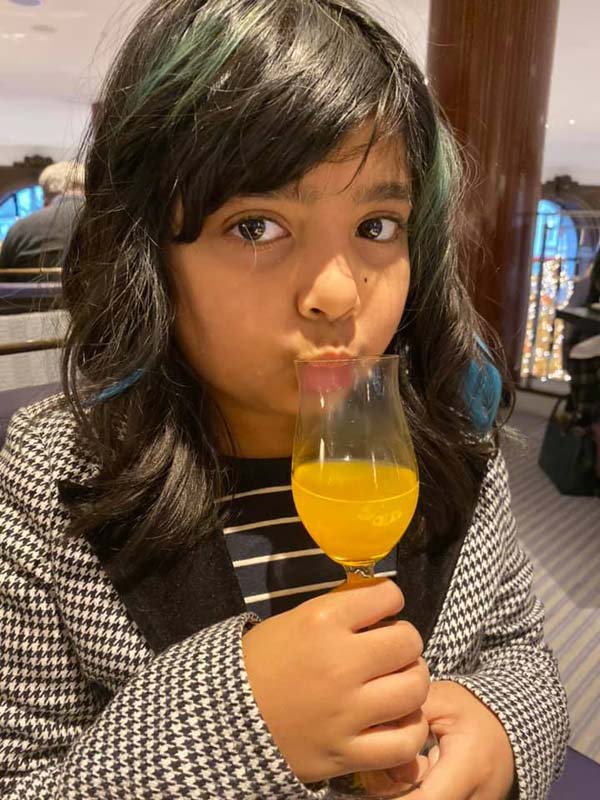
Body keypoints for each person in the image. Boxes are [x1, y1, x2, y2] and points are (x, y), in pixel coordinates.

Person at [0, 1, 568, 799]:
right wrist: (236, 725)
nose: (337, 294)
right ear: (150, 253)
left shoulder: (453, 443)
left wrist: (497, 730)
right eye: (257, 226)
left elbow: (519, 651)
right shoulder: (52, 480)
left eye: (376, 224)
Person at [0, 160, 84, 277]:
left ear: (45, 197)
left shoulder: (20, 229)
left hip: (30, 295)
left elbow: (3, 279)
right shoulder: (105, 221)